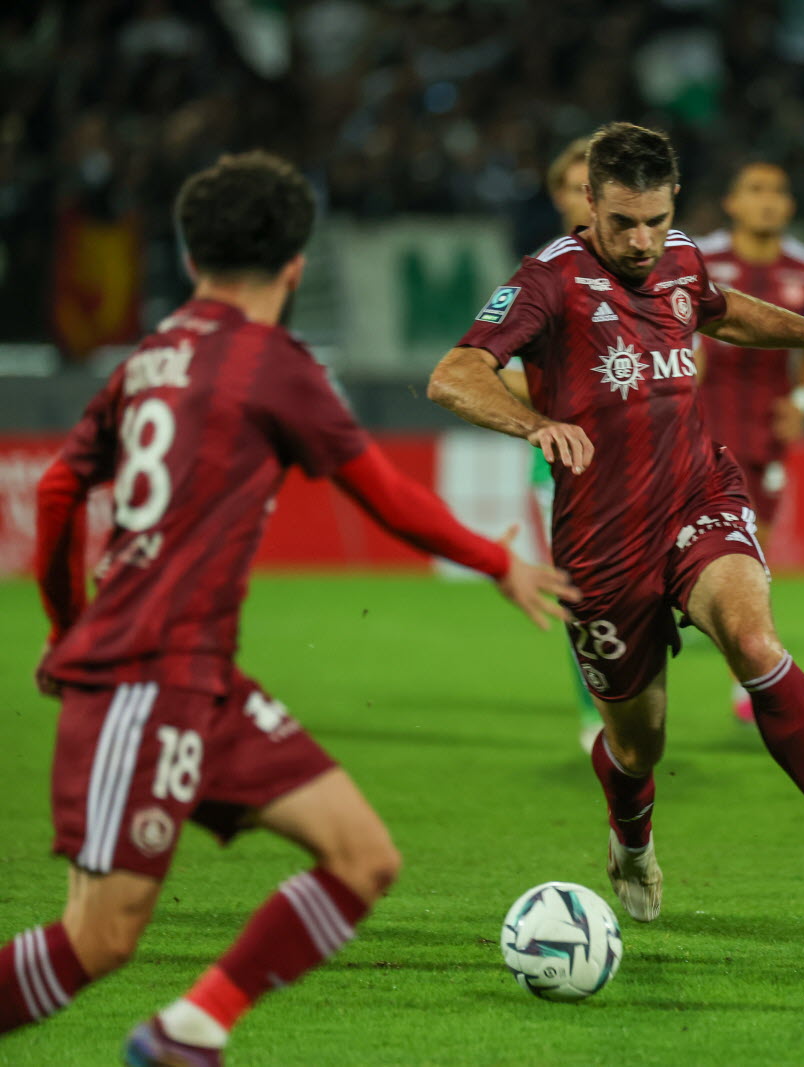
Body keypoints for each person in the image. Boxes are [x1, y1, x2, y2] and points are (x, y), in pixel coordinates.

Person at [0, 151, 575, 1062]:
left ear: (191, 261)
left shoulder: (151, 357)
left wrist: (67, 620)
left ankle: (190, 1028)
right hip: (143, 676)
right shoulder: (273, 364)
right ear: (297, 265)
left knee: (362, 855)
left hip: (199, 680)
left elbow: (65, 487)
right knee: (97, 940)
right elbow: (382, 493)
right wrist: (496, 561)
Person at [426, 122, 804, 923]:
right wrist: (531, 424)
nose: (641, 239)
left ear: (674, 203)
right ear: (588, 203)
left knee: (755, 641)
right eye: (622, 221)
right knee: (638, 744)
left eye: (655, 219)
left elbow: (722, 311)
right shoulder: (546, 279)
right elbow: (452, 374)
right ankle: (632, 837)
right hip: (601, 539)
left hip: (697, 496)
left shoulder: (682, 256)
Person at [696, 161, 804, 724]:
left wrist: (802, 402)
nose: (767, 201)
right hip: (701, 421)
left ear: (790, 207)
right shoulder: (699, 257)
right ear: (733, 202)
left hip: (765, 429)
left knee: (754, 548)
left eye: (777, 191)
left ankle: (742, 681)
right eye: (755, 190)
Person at [532, 135, 607, 753]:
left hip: (648, 458)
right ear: (558, 196)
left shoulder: (653, 271)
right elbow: (492, 363)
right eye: (574, 185)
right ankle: (594, 716)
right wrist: (547, 411)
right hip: (564, 466)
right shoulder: (541, 276)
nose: (585, 197)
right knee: (578, 592)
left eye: (595, 184)